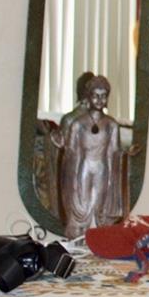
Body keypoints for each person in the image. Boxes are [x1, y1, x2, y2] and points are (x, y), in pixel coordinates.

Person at [49, 73, 128, 238]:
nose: (99, 100)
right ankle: (77, 238)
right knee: (80, 205)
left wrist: (125, 154)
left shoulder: (112, 124)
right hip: (83, 168)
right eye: (95, 96)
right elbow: (70, 152)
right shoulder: (77, 123)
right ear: (88, 97)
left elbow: (114, 152)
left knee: (99, 207)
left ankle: (97, 240)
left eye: (103, 96)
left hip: (102, 169)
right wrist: (61, 144)